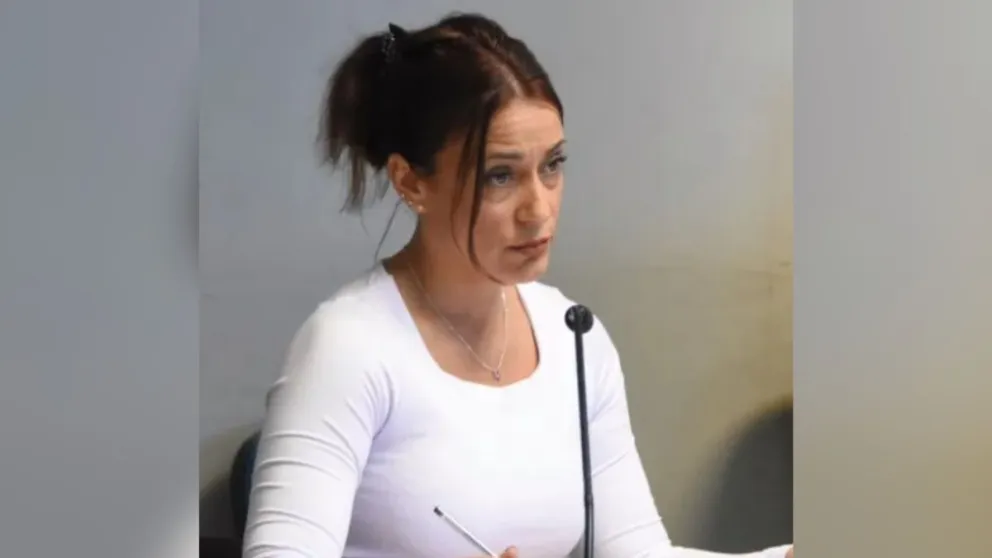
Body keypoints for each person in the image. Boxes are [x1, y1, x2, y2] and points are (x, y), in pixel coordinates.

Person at [242, 13, 794, 558]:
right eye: (500, 176)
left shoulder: (573, 337)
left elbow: (639, 553)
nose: (539, 209)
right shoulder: (347, 347)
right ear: (411, 181)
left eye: (552, 166)